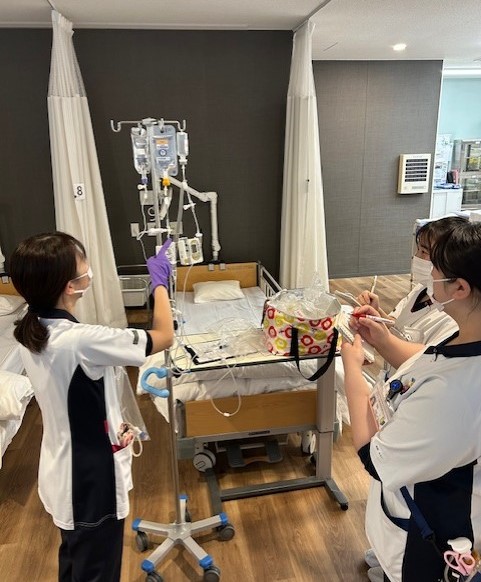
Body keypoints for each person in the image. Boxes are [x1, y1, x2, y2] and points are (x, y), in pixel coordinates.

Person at [10, 232, 174, 582]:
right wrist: (160, 284)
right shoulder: (80, 340)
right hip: (90, 482)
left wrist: (114, 424)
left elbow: (78, 396)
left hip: (62, 470)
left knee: (76, 565)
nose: (89, 268)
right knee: (96, 572)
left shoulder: (30, 329)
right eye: (83, 263)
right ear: (70, 285)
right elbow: (164, 336)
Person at [341, 220, 481, 582]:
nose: (428, 271)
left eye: (435, 265)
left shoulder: (454, 392)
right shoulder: (461, 339)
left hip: (430, 532)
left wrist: (351, 369)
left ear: (460, 287)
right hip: (413, 484)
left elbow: (374, 459)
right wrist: (381, 338)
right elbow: (424, 358)